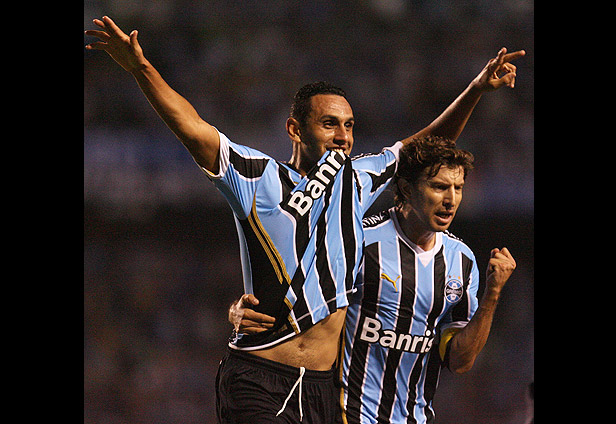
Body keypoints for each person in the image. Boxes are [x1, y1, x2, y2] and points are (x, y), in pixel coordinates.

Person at [85, 15, 524, 423]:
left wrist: (475, 90)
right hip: (260, 377)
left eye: (349, 125)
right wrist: (140, 68)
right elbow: (192, 127)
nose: (343, 136)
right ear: (295, 129)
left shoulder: (357, 179)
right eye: (330, 124)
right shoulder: (258, 179)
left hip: (321, 391)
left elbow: (423, 150)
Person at [231, 135, 517, 423]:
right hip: (346, 414)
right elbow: (296, 289)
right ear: (406, 188)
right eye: (439, 187)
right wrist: (240, 310)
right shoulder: (361, 241)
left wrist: (492, 293)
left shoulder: (462, 260)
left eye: (458, 188)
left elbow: (460, 361)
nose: (451, 200)